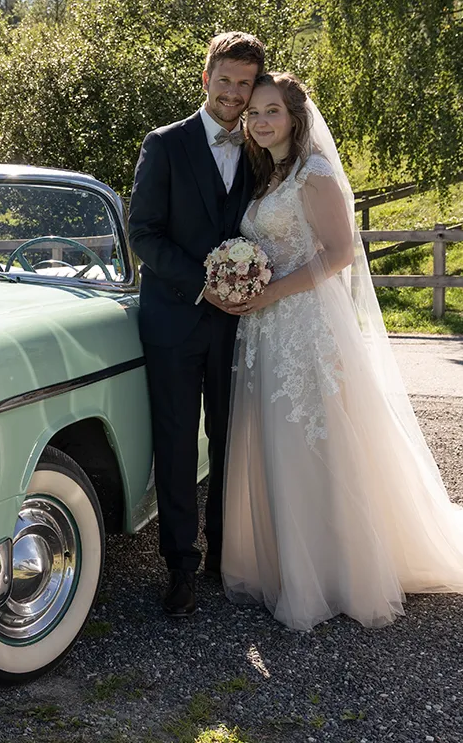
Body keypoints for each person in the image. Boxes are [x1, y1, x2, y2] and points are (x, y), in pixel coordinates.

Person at [220, 72, 463, 630]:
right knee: (279, 440)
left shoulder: (314, 173)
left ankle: (338, 572)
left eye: (271, 110)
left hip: (306, 325)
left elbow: (339, 254)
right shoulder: (268, 176)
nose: (259, 121)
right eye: (253, 112)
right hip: (267, 329)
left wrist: (271, 291)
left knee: (316, 439)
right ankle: (288, 565)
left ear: (295, 117)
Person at [127, 31, 265, 617]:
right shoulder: (164, 144)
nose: (233, 93)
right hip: (174, 320)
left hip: (243, 324)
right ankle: (180, 565)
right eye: (225, 79)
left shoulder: (261, 148)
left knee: (234, 440)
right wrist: (205, 282)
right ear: (206, 78)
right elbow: (143, 233)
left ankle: (224, 553)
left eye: (245, 83)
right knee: (178, 443)